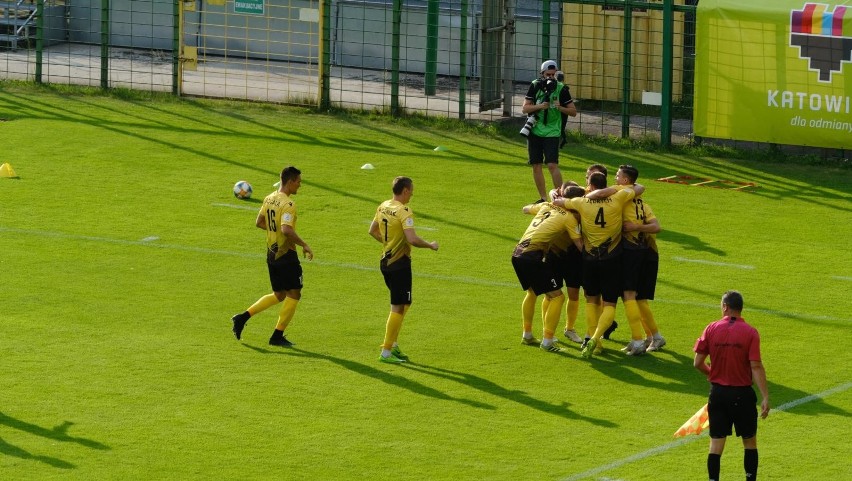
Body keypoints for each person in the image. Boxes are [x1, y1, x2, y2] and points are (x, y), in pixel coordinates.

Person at [552, 172, 635, 358]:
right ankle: (596, 338)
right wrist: (614, 189)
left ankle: (591, 341)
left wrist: (555, 195)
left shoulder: (581, 202)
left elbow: (559, 202)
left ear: (590, 185)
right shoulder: (618, 198)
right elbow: (637, 188)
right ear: (606, 184)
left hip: (589, 259)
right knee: (609, 303)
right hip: (612, 259)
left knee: (591, 300)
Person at [231, 166, 314, 347]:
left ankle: (242, 317)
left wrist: (274, 231)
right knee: (294, 293)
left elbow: (259, 222)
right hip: (286, 255)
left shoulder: (269, 198)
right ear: (290, 182)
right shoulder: (288, 204)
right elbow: (286, 229)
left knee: (279, 294)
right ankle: (277, 335)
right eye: (298, 182)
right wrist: (304, 244)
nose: (300, 185)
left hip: (271, 253)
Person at [694, 290, 769, 481]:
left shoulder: (711, 328)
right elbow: (756, 366)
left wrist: (714, 375)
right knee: (749, 442)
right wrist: (765, 396)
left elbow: (697, 363)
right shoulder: (751, 332)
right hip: (742, 395)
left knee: (716, 444)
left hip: (718, 394)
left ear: (725, 307)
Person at [369, 176, 439, 364]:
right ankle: (386, 351)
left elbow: (372, 230)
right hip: (399, 264)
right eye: (411, 190)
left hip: (385, 261)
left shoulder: (383, 206)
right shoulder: (404, 211)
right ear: (406, 190)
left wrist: (387, 244)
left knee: (404, 304)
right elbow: (412, 239)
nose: (413, 194)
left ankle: (393, 345)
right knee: (398, 307)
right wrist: (430, 245)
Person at [513, 185, 586, 352]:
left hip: (518, 253)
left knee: (532, 291)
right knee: (558, 297)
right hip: (533, 256)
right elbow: (579, 245)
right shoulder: (569, 218)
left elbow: (525, 209)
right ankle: (547, 342)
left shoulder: (546, 205)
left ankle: (528, 334)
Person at [522, 60, 578, 204]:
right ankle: (543, 198)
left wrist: (560, 108)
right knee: (536, 165)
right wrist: (541, 106)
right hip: (535, 130)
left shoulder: (562, 89)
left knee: (552, 164)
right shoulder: (535, 86)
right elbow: (525, 108)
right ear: (542, 74)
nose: (550, 78)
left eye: (553, 75)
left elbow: (573, 112)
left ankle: (560, 197)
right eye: (548, 74)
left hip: (552, 131)